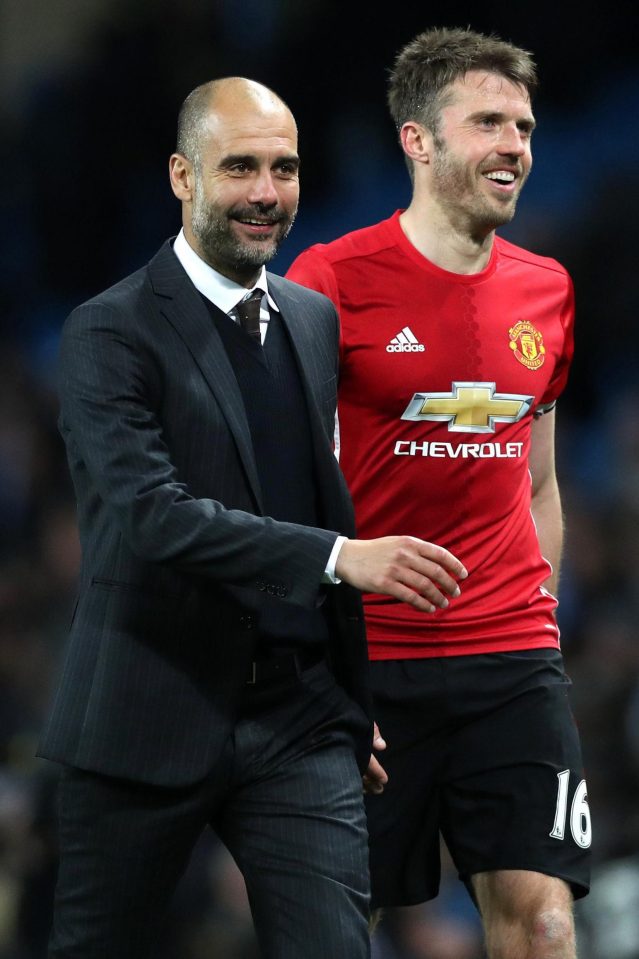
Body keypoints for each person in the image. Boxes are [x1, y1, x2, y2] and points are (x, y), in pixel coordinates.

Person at [38, 76, 467, 959]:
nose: (267, 193)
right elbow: (152, 518)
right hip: (146, 704)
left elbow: (305, 495)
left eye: (285, 168)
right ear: (182, 176)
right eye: (239, 167)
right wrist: (340, 556)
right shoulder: (108, 331)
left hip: (296, 718)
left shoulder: (311, 321)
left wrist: (349, 700)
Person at [286, 27, 591, 959]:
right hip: (371, 663)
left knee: (543, 922)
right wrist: (315, 660)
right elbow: (282, 483)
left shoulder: (547, 289)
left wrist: (535, 614)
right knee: (340, 927)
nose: (515, 145)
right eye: (487, 122)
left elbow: (538, 480)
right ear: (416, 141)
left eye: (524, 126)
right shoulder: (329, 281)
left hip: (511, 661)